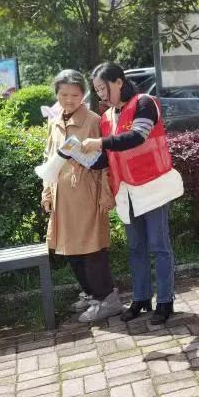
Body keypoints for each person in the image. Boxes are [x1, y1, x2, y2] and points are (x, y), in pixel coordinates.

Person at [83, 63, 184, 324]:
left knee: (159, 246)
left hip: (152, 186)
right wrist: (81, 158)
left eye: (103, 88)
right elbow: (108, 156)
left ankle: (165, 301)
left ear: (119, 82)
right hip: (125, 190)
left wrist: (99, 142)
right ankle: (141, 299)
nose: (101, 94)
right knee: (136, 248)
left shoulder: (144, 103)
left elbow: (138, 136)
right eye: (97, 90)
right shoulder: (107, 117)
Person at [41, 70, 121, 322]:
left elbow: (107, 161)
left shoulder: (94, 120)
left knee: (91, 248)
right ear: (56, 94)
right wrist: (46, 192)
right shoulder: (54, 122)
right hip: (62, 196)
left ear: (83, 95)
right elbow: (48, 159)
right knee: (69, 248)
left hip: (87, 194)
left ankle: (107, 299)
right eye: (63, 94)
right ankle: (91, 293)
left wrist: (106, 194)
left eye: (74, 95)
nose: (68, 99)